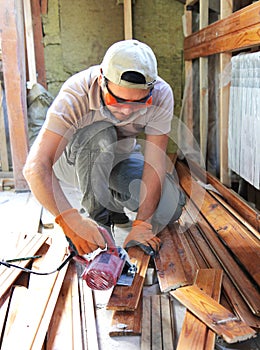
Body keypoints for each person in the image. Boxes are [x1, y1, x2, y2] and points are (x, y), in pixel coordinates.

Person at [23, 39, 186, 257]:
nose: (127, 111)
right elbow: (35, 167)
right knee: (102, 134)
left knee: (170, 204)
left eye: (138, 102)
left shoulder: (161, 94)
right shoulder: (77, 91)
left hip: (119, 158)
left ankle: (111, 201)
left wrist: (142, 224)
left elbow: (154, 162)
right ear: (101, 80)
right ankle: (99, 222)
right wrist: (70, 221)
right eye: (116, 100)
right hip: (72, 161)